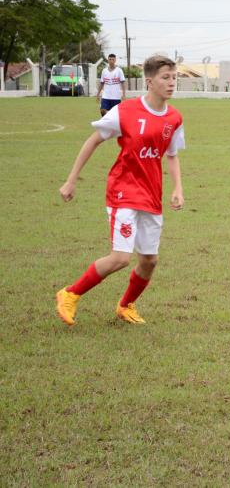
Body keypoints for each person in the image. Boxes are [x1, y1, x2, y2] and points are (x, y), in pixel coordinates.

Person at [56, 56, 185, 326]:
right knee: (120, 258)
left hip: (151, 196)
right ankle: (70, 294)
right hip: (123, 191)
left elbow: (172, 155)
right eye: (165, 78)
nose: (172, 83)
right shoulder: (125, 111)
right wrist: (71, 180)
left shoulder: (174, 118)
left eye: (174, 77)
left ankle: (125, 305)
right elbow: (93, 141)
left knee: (149, 260)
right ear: (149, 82)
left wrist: (177, 189)